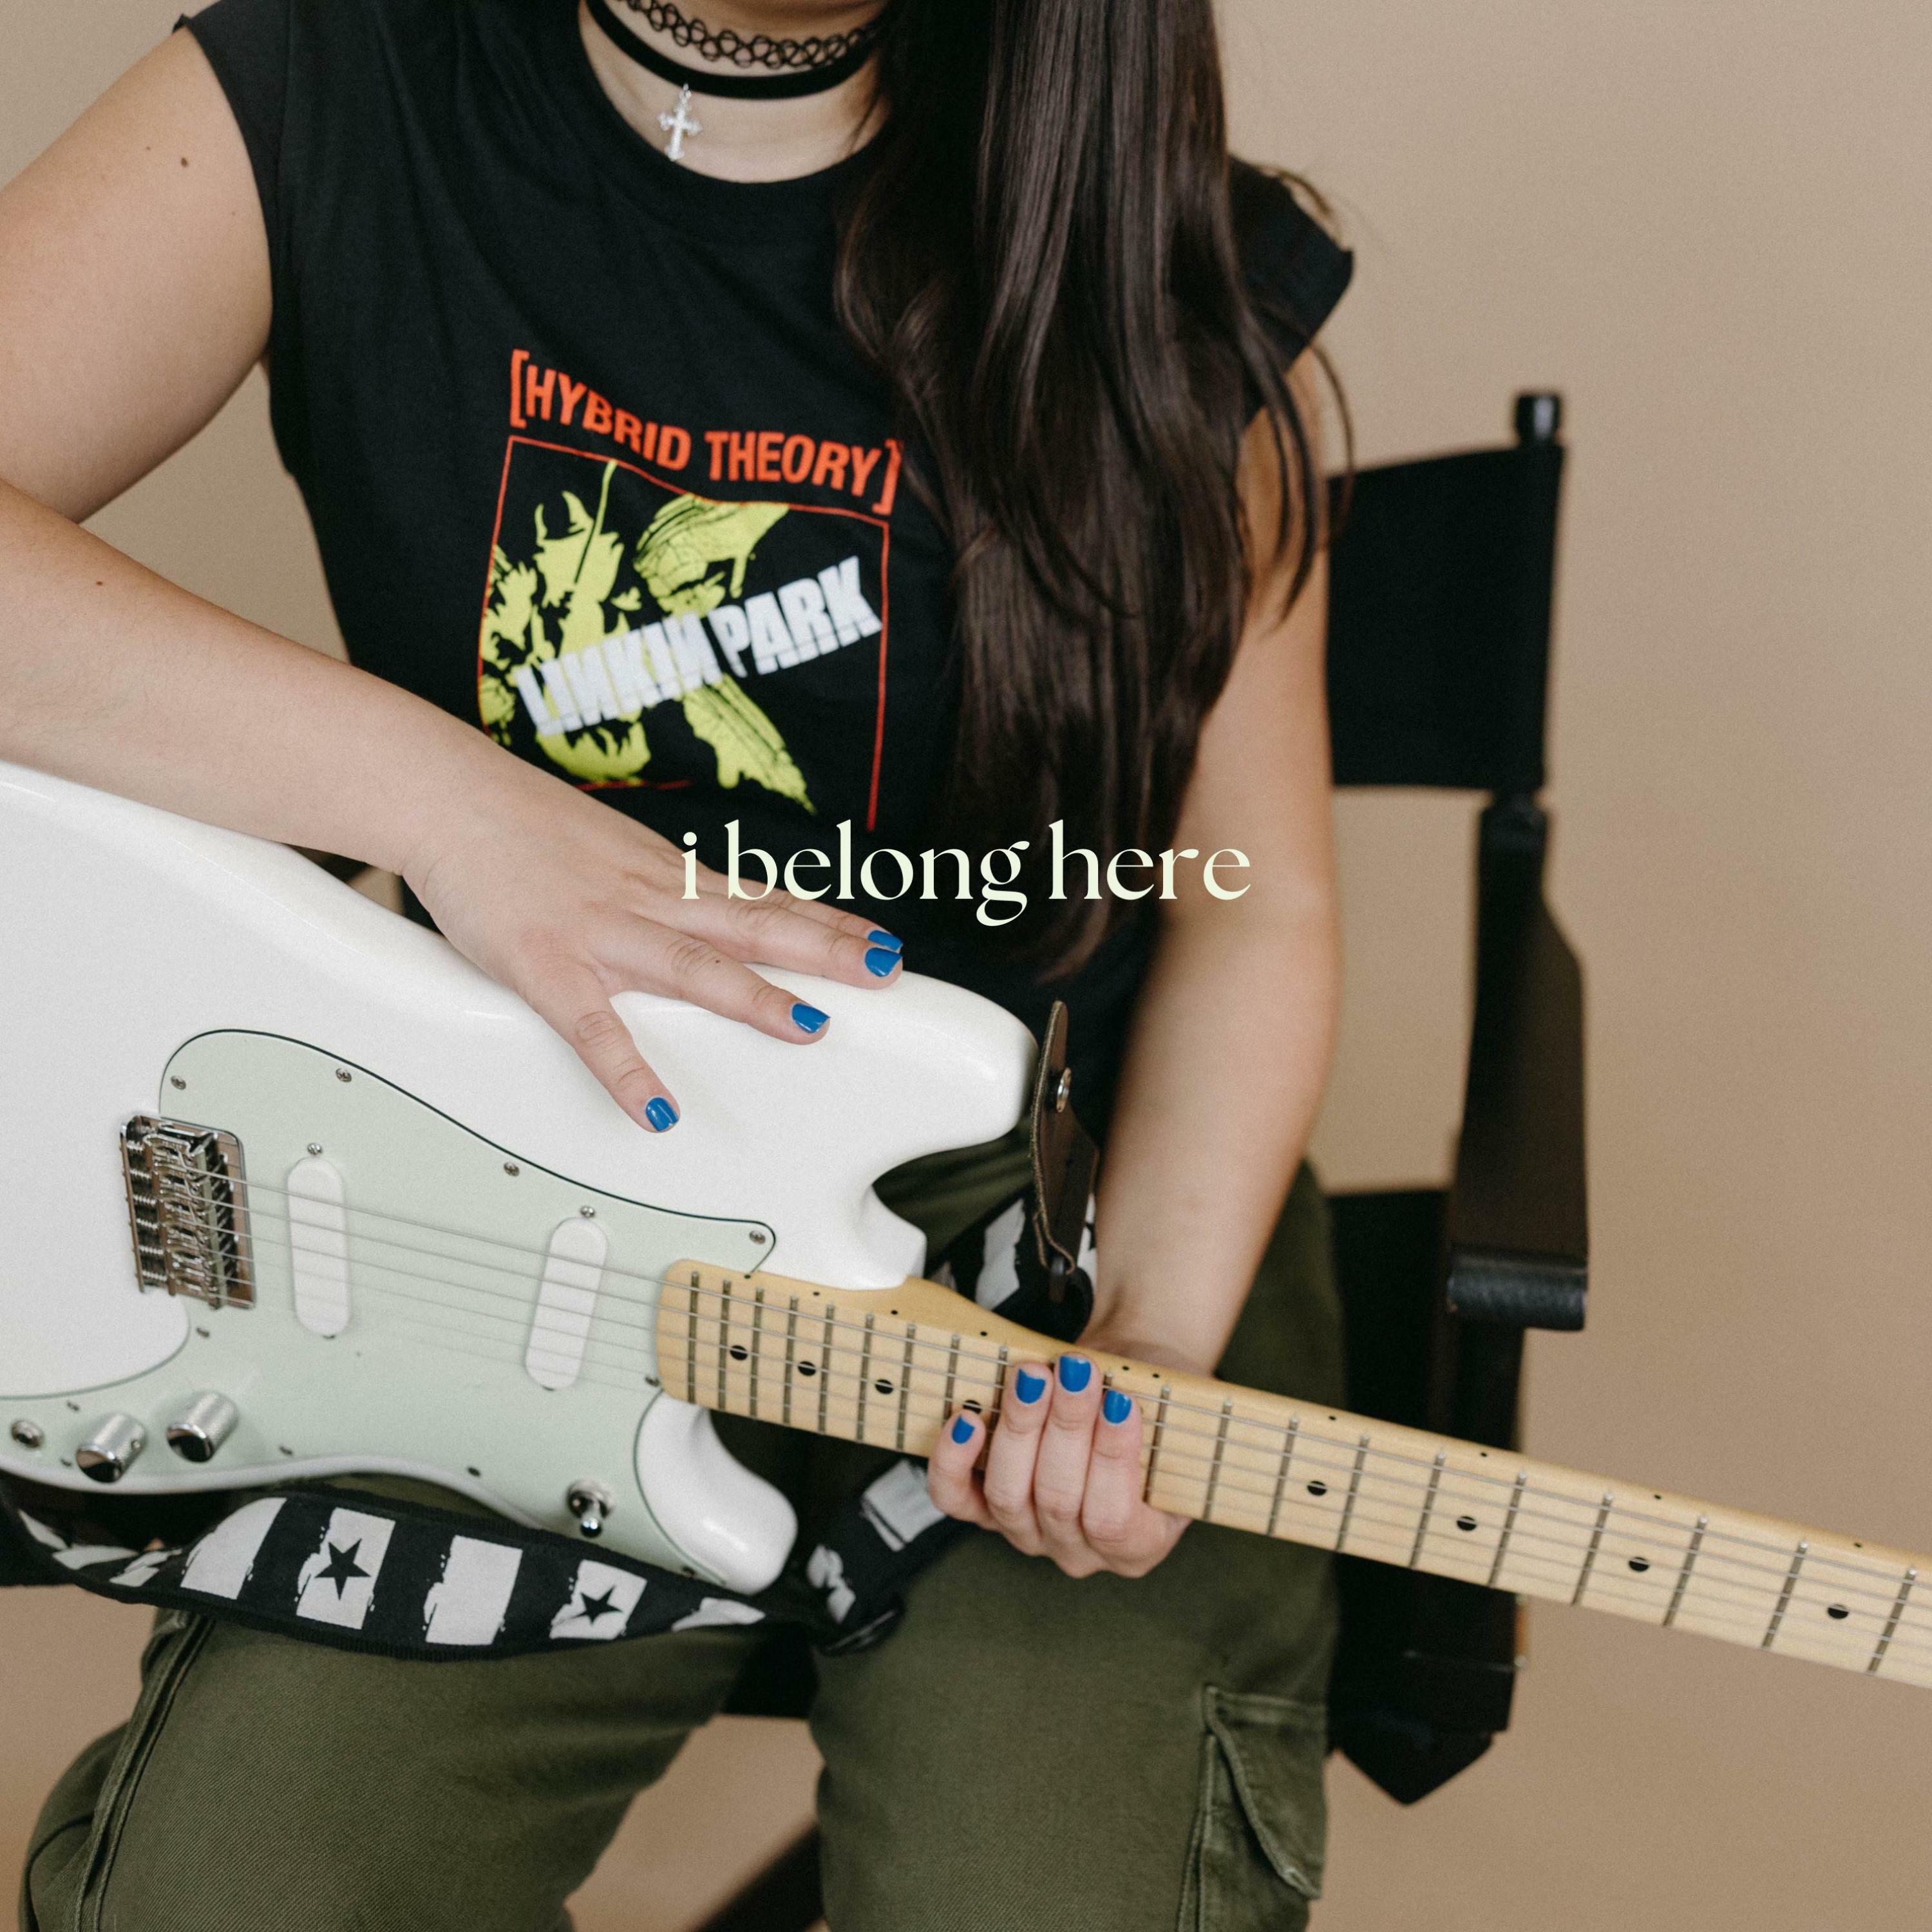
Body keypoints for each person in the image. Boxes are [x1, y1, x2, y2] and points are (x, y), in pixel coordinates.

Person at [1, 2, 1352, 1926]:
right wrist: (454, 807)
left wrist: (1150, 1340)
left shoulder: (1141, 233)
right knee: (235, 1895)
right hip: (501, 1191)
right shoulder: (334, 84)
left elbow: (1255, 908)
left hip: (1054, 1218)